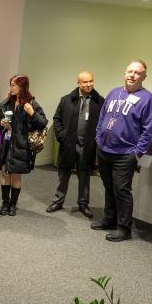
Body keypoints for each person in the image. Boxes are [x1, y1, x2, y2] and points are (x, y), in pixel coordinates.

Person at [91, 59, 152, 242]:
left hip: (125, 154)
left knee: (122, 190)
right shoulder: (114, 93)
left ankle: (123, 227)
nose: (132, 75)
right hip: (104, 150)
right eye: (130, 71)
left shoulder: (148, 99)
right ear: (125, 73)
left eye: (137, 72)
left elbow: (149, 130)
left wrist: (137, 153)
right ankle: (109, 219)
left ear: (144, 76)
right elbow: (102, 117)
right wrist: (98, 139)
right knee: (108, 187)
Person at [47, 71, 104, 218]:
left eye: (91, 81)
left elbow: (103, 124)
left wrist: (97, 141)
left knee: (84, 175)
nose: (88, 84)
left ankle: (83, 203)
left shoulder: (100, 102)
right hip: (69, 144)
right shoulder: (66, 100)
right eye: (85, 82)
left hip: (87, 146)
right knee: (63, 173)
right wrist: (62, 137)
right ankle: (58, 201)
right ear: (78, 83)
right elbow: (57, 119)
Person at [0, 75, 48, 216]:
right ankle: (5, 203)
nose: (11, 88)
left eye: (14, 85)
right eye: (10, 85)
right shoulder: (7, 102)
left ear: (22, 87)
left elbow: (43, 123)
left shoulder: (31, 103)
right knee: (5, 173)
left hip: (21, 146)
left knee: (16, 175)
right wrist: (1, 122)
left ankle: (13, 204)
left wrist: (32, 113)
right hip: (6, 144)